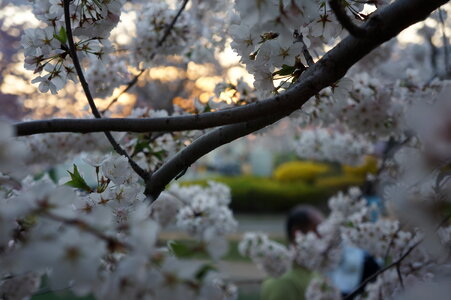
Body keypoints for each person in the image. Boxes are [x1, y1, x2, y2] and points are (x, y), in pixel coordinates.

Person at [260, 205, 324, 300]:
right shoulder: (283, 282)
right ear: (297, 233)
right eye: (317, 229)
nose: (323, 234)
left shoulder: (314, 273)